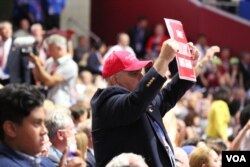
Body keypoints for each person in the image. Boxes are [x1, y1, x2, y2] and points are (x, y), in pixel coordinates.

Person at [91, 38, 220, 167]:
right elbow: (135, 102)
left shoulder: (140, 100)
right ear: (114, 79)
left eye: (141, 71)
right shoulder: (105, 101)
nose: (141, 76)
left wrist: (188, 67)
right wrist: (163, 59)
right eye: (134, 73)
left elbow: (167, 95)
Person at [0, 84, 54, 166]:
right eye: (37, 123)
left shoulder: (46, 162)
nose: (45, 131)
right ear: (11, 129)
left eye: (44, 123)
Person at [29, 34, 78, 107]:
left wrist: (38, 64)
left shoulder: (70, 65)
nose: (48, 52)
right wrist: (36, 64)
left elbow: (49, 82)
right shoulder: (50, 61)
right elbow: (38, 78)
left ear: (59, 48)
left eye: (50, 49)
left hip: (62, 105)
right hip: (48, 101)